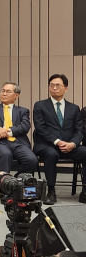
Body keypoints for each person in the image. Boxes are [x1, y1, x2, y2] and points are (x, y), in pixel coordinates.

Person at [33, 74, 86, 205]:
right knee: (51, 154)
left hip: (69, 146)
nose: (54, 88)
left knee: (85, 151)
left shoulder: (74, 108)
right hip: (47, 145)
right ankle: (51, 191)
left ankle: (85, 189)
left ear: (65, 88)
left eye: (58, 85)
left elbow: (79, 130)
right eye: (52, 85)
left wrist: (73, 144)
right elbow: (40, 128)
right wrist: (57, 141)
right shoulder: (40, 106)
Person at [0, 82, 35, 177]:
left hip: (17, 143)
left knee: (31, 159)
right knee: (5, 154)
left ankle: (16, 181)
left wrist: (6, 132)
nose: (4, 94)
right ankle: (3, 186)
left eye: (8, 91)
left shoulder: (23, 111)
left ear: (16, 95)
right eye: (3, 91)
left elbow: (25, 126)